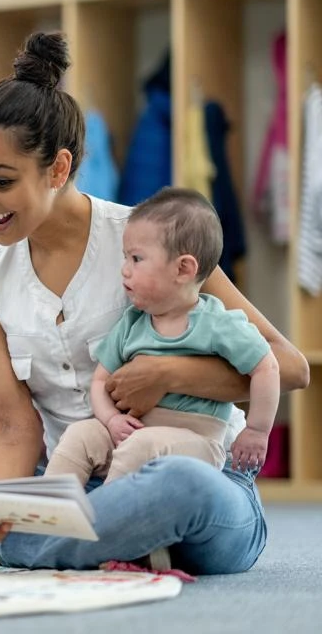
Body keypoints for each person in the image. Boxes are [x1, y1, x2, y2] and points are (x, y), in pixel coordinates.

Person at [0, 31, 309, 574]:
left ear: (58, 169)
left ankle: (29, 543)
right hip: (63, 476)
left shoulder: (148, 241)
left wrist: (168, 373)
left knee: (180, 485)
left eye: (1, 182)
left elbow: (290, 367)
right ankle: (59, 532)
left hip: (192, 475)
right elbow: (14, 427)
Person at [44, 187, 280, 489]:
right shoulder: (131, 324)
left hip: (199, 442)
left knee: (140, 445)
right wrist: (111, 419)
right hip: (135, 432)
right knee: (80, 435)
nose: (124, 270)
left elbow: (267, 367)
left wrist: (258, 430)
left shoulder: (219, 323)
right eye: (125, 257)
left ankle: (107, 522)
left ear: (183, 269)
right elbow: (100, 381)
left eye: (136, 259)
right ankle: (50, 513)